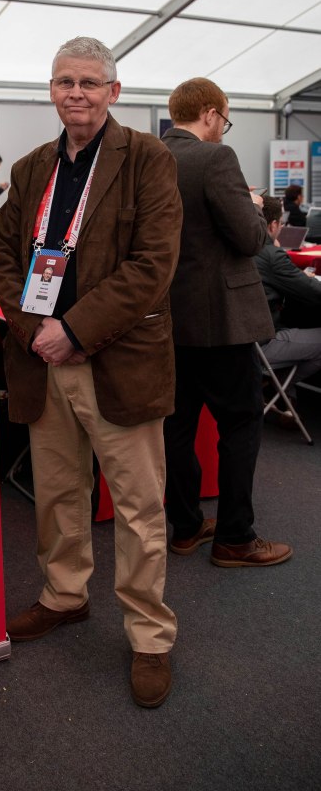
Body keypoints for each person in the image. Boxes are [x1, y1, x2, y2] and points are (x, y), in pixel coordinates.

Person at [0, 36, 182, 709]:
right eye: (65, 81)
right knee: (58, 495)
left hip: (116, 361)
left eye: (90, 82)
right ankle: (64, 596)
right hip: (44, 360)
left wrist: (73, 329)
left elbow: (153, 268)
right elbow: (2, 254)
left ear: (114, 92)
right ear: (51, 89)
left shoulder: (149, 160)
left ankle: (151, 636)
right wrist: (34, 331)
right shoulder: (31, 166)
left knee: (137, 506)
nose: (77, 92)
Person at [161, 78, 292, 568]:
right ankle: (236, 537)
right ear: (212, 114)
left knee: (177, 426)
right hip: (221, 320)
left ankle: (187, 526)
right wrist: (254, 209)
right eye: (226, 120)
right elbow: (248, 239)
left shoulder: (149, 157)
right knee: (241, 424)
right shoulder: (217, 158)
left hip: (168, 319)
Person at [254, 195, 321, 401]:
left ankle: (281, 390)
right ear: (273, 224)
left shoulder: (239, 249)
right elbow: (314, 293)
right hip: (262, 345)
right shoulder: (271, 255)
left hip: (238, 343)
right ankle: (280, 386)